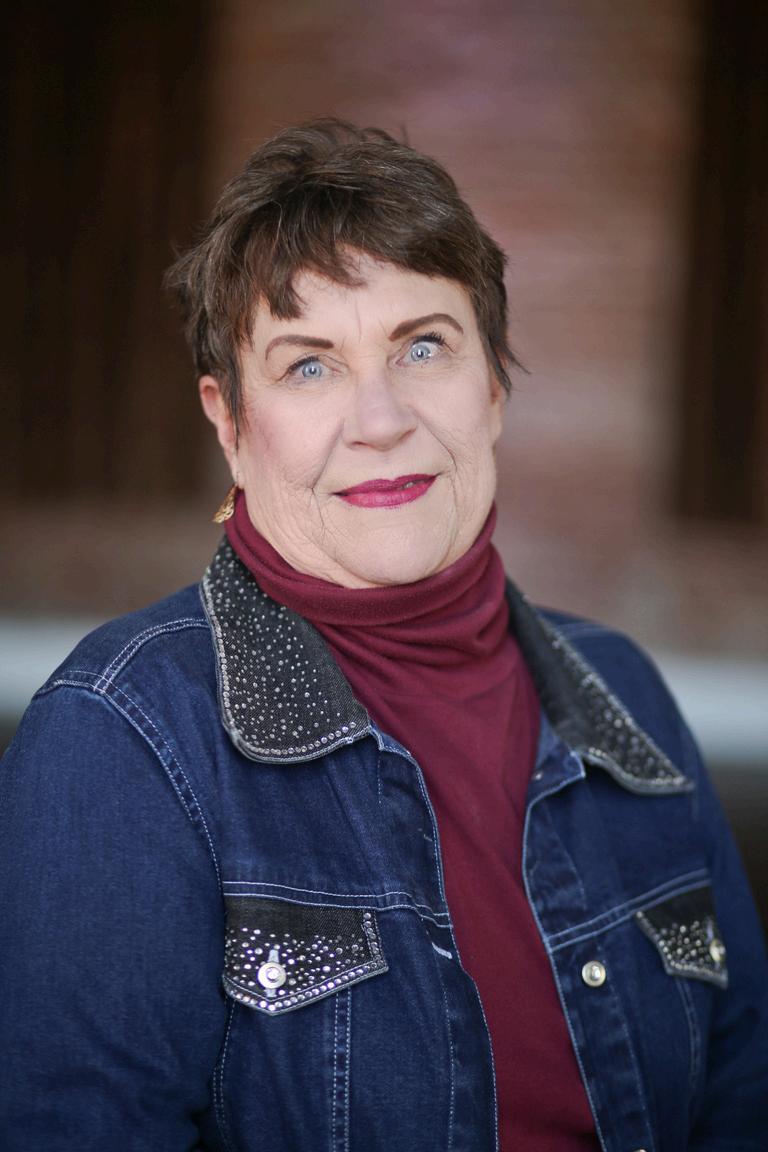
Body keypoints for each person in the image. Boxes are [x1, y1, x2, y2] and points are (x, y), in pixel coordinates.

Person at [0, 120, 766, 1152]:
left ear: (493, 387)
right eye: (309, 367)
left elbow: (743, 1091)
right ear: (230, 423)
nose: (380, 419)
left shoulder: (624, 689)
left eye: (423, 347)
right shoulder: (122, 735)